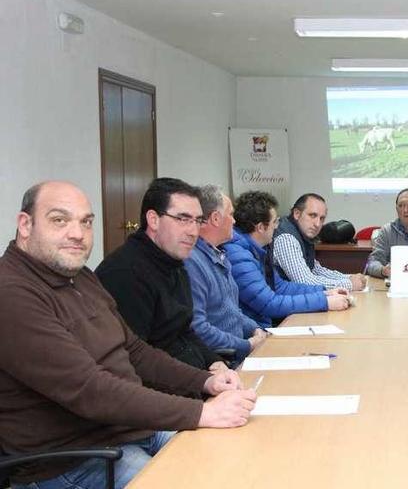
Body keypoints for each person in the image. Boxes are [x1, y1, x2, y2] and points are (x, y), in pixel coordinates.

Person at [0, 181, 255, 489]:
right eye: (59, 220)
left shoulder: (79, 275)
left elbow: (134, 350)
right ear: (25, 225)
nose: (77, 234)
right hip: (75, 457)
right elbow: (90, 389)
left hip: (129, 430)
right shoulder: (12, 294)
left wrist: (204, 380)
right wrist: (200, 411)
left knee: (237, 459)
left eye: (86, 222)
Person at [96, 178, 224, 371]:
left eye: (197, 221)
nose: (193, 231)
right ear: (153, 220)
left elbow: (184, 331)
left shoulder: (175, 263)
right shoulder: (125, 273)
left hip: (192, 379)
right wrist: (203, 382)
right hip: (164, 391)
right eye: (183, 219)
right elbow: (136, 360)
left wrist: (215, 362)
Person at [224, 191, 349, 328]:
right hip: (253, 333)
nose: (277, 226)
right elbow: (269, 304)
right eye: (274, 221)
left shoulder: (259, 249)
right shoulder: (238, 256)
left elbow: (279, 287)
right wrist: (325, 302)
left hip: (262, 326)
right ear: (260, 227)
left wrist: (324, 292)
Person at [184, 185, 268, 365]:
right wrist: (247, 345)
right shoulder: (192, 261)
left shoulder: (219, 255)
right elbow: (198, 328)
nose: (235, 221)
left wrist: (255, 329)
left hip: (239, 354)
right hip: (223, 362)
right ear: (215, 218)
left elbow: (232, 311)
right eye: (231, 214)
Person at [273, 193, 367, 291]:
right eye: (312, 215)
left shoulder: (302, 233)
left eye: (322, 218)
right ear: (297, 214)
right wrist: (349, 284)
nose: (318, 224)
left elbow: (315, 269)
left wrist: (348, 277)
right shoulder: (286, 238)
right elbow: (304, 281)